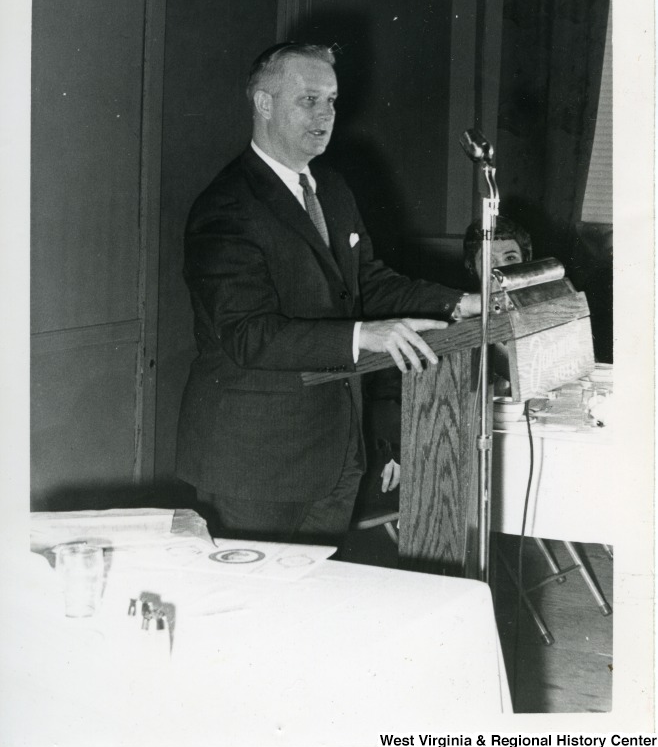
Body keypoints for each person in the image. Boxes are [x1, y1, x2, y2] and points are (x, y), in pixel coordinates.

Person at [175, 42, 480, 545]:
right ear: (264, 104)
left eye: (332, 101)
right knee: (256, 609)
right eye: (309, 100)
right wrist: (365, 334)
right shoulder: (226, 206)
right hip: (256, 461)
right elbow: (248, 335)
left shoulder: (332, 189)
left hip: (336, 451)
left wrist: (456, 303)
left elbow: (369, 283)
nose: (325, 115)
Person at [355, 216, 532, 512]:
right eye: (488, 259)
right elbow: (388, 387)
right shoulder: (447, 317)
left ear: (527, 261)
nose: (500, 269)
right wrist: (396, 451)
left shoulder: (534, 307)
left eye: (510, 257)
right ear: (472, 267)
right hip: (435, 446)